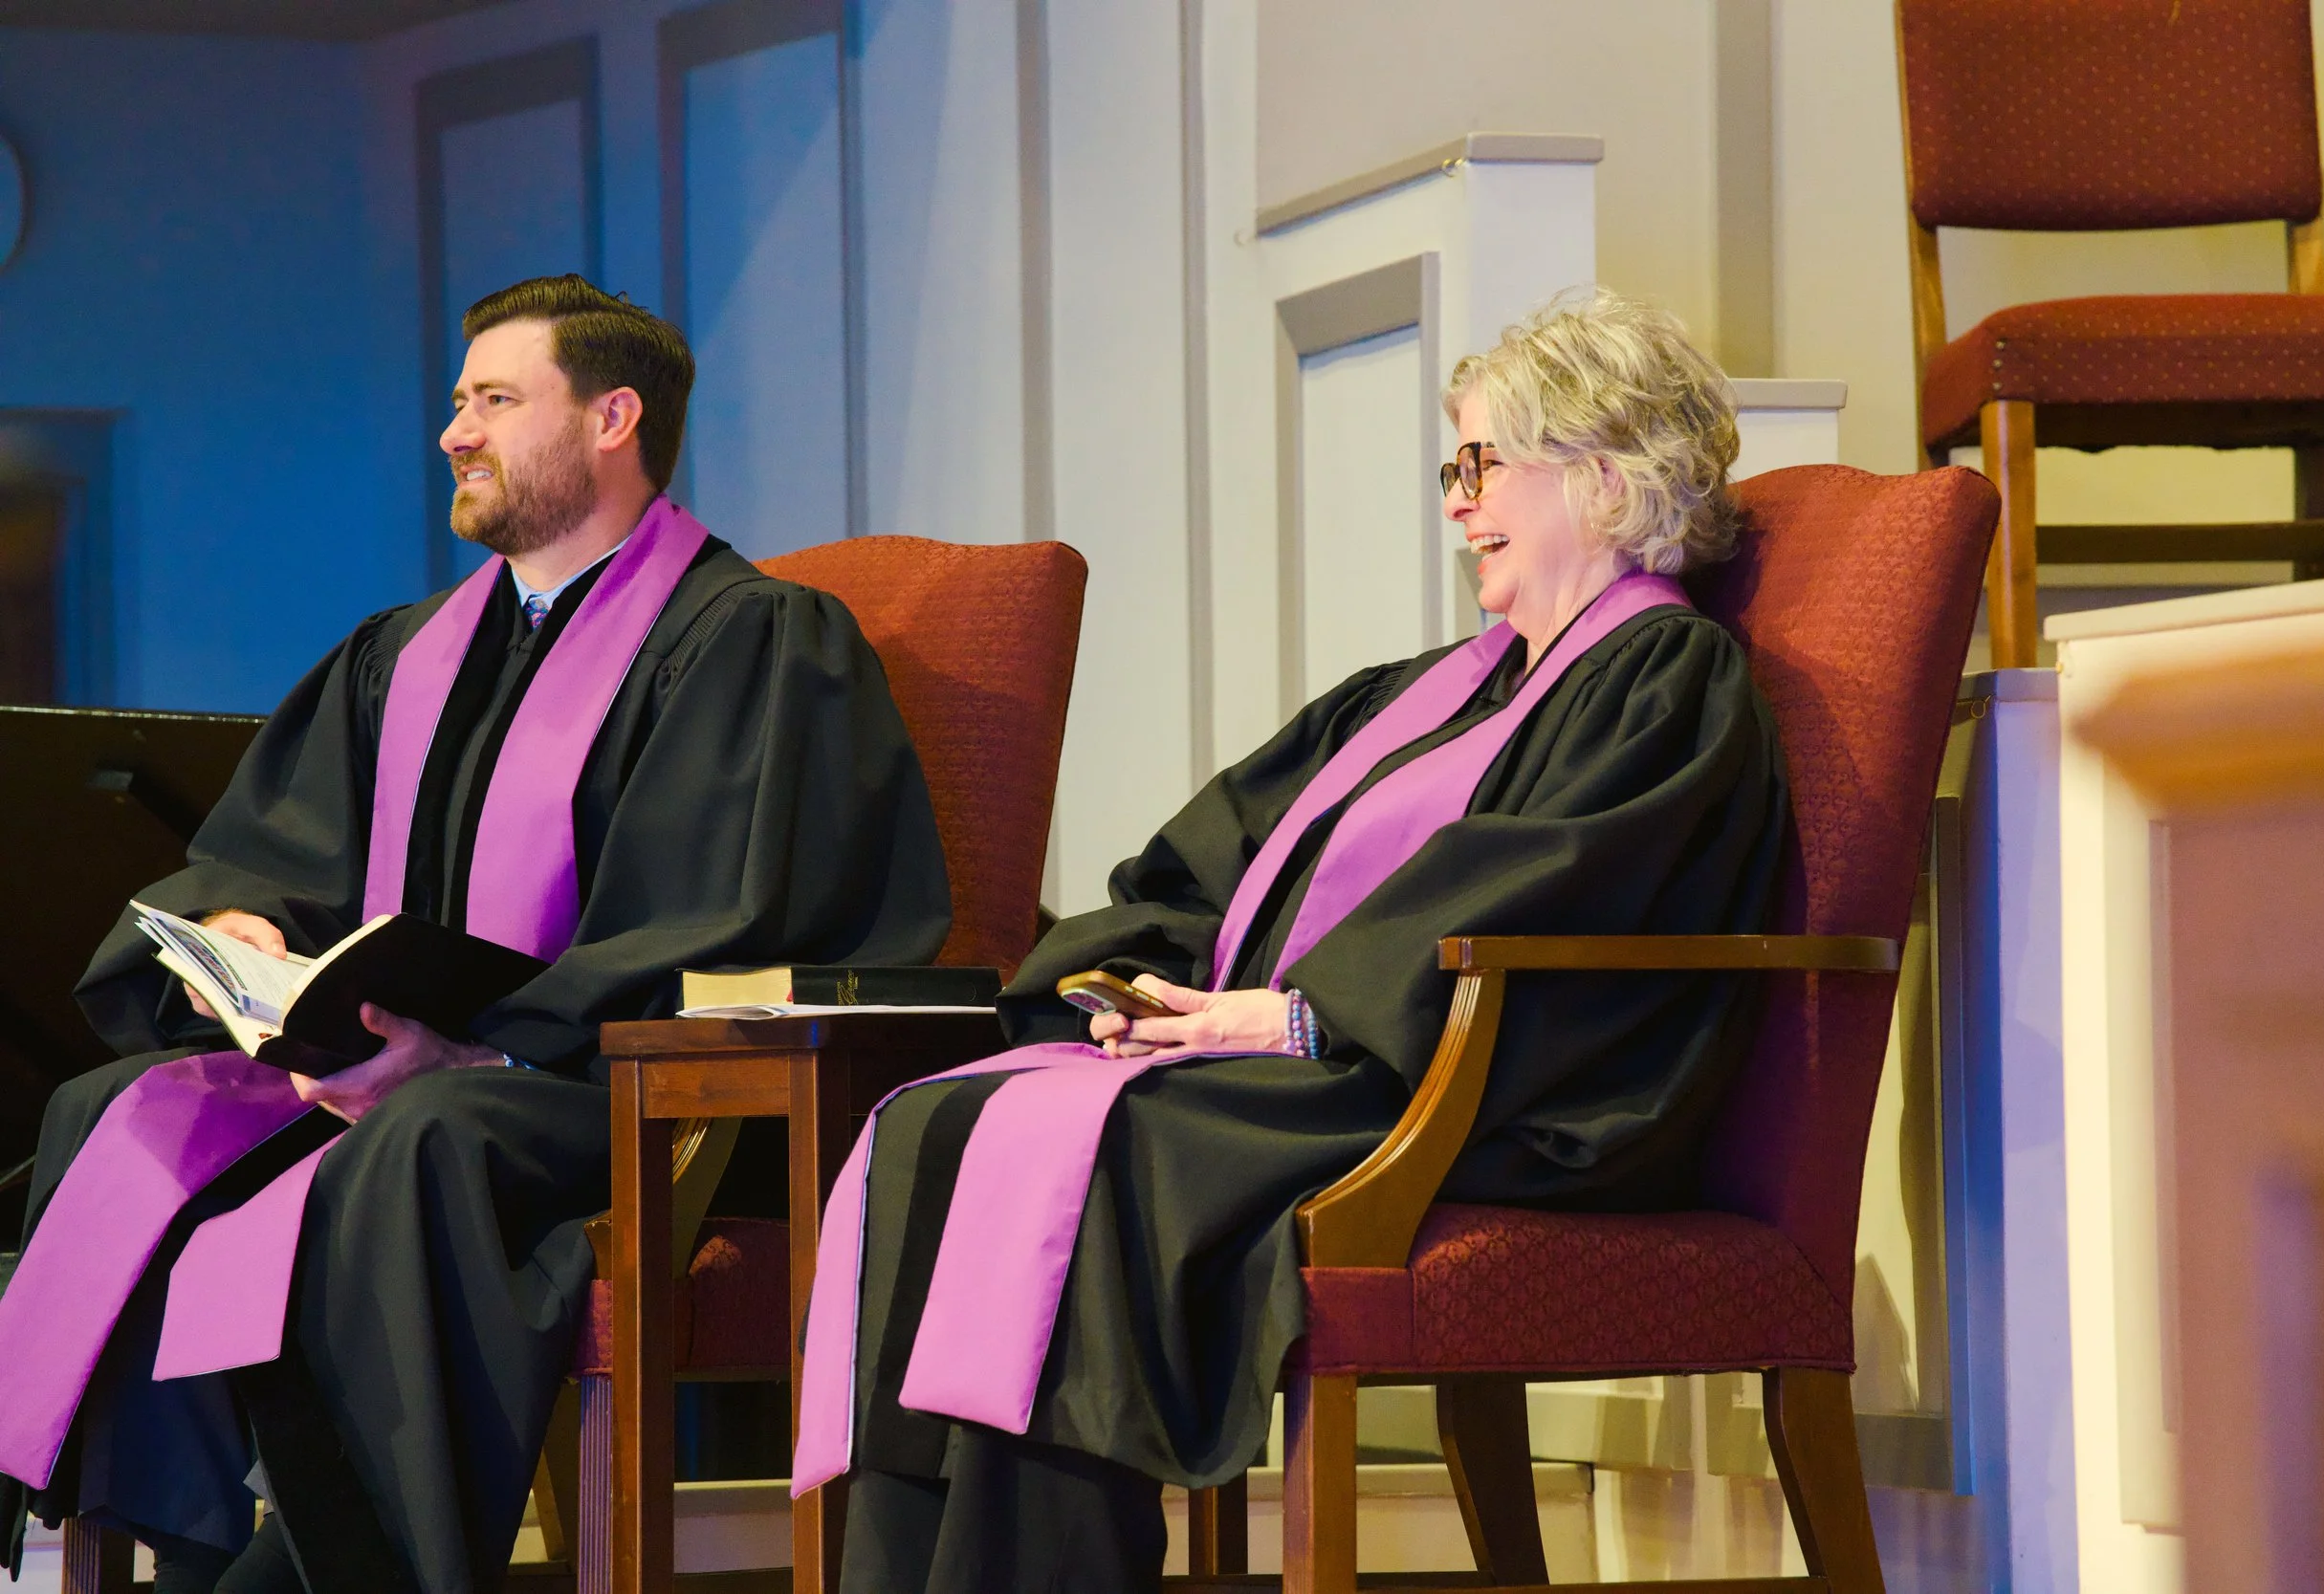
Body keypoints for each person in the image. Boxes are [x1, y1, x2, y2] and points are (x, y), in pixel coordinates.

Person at [800, 288, 1792, 1593]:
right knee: (942, 1120)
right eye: (1457, 467)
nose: (1456, 501)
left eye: (1484, 464)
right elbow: (1210, 860)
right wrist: (1129, 989)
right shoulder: (1426, 695)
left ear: (1603, 478)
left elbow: (1558, 898)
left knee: (1119, 1158)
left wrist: (1292, 1016)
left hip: (1503, 1088)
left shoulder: (1670, 681)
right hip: (1354, 1055)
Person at [0, 275, 952, 1594]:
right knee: (126, 1109)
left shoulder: (753, 644)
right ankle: (169, 1531)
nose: (455, 432)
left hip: (604, 1089)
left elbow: (729, 917)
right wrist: (245, 927)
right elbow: (273, 850)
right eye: (458, 403)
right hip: (400, 1071)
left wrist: (474, 1051)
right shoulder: (405, 656)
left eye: (496, 401)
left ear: (614, 417)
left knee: (426, 1133)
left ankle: (342, 1557)